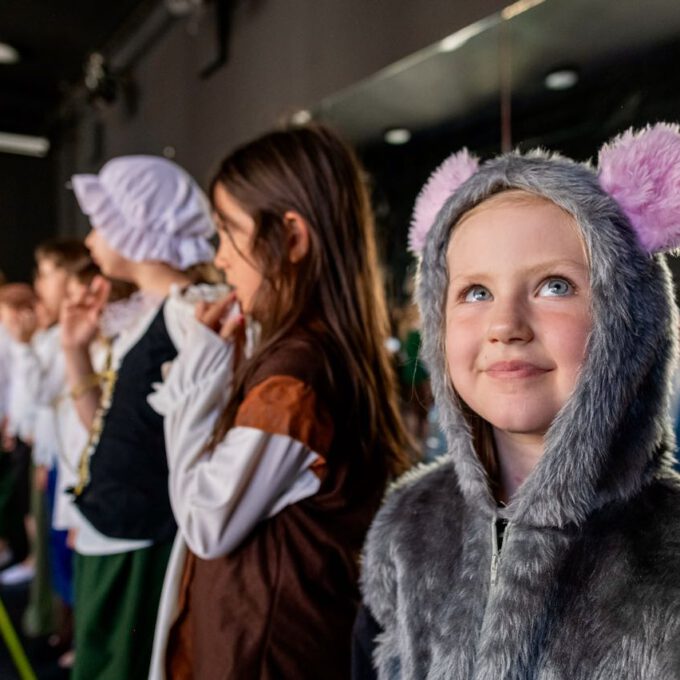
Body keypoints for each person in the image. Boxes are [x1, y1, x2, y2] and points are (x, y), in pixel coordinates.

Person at [359, 123, 680, 679]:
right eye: (475, 293)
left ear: (630, 321)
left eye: (554, 286)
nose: (505, 325)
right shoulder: (404, 529)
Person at [147, 124, 412, 679]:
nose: (220, 259)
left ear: (291, 237)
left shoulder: (296, 379)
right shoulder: (312, 353)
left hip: (266, 654)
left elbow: (203, 520)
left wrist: (202, 364)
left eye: (228, 233)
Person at [61, 155, 217, 680]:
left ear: (137, 224)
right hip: (111, 526)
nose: (89, 241)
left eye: (99, 223)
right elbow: (111, 432)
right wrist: (74, 351)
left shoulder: (194, 314)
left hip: (143, 537)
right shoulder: (147, 315)